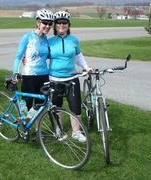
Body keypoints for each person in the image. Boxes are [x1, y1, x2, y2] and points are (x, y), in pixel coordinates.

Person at [48, 10, 93, 142]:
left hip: (71, 78)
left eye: (64, 22)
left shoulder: (73, 40)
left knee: (75, 106)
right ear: (55, 25)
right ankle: (59, 131)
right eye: (59, 23)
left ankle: (76, 132)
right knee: (56, 107)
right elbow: (42, 56)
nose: (62, 25)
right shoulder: (50, 41)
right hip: (54, 80)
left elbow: (78, 56)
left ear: (68, 24)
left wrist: (86, 67)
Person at [13, 9, 54, 131]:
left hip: (44, 76)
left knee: (41, 105)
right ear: (38, 22)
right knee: (28, 105)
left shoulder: (46, 39)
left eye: (49, 24)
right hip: (29, 76)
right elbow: (18, 57)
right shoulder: (27, 37)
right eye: (45, 23)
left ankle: (38, 130)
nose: (47, 26)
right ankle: (24, 128)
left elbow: (47, 55)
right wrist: (16, 72)